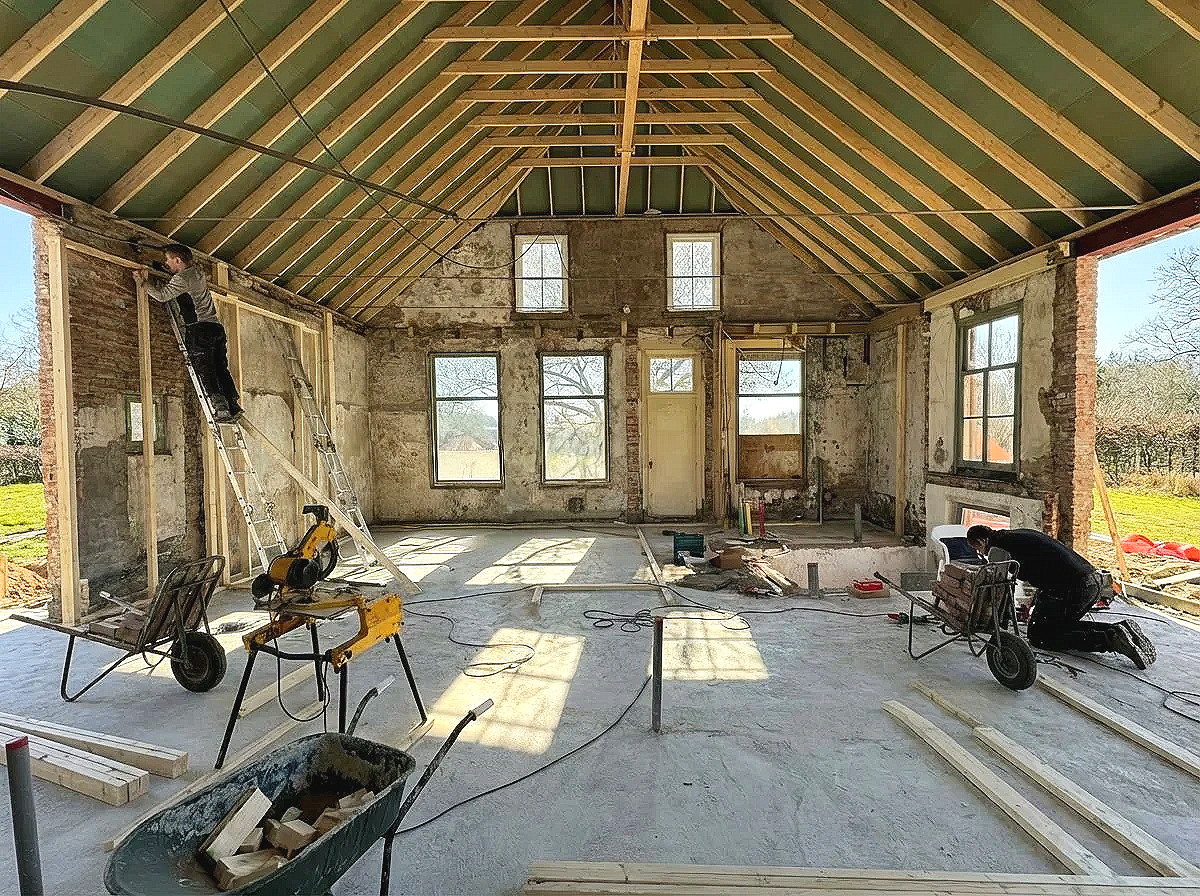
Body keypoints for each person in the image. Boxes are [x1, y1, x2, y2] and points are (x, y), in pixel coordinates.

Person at [966, 525, 1155, 669]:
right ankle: (1120, 629)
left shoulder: (996, 548)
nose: (980, 553)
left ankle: (1110, 639)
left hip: (1073, 588)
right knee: (1060, 626)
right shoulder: (1016, 536)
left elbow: (997, 586)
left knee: (1040, 636)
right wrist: (1036, 599)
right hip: (1092, 581)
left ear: (981, 542)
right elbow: (1046, 565)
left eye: (977, 549)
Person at [135, 245, 243, 423]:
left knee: (205, 368)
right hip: (215, 328)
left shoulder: (182, 278)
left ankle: (221, 409)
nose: (166, 263)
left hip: (199, 329)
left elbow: (162, 296)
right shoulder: (197, 273)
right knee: (220, 367)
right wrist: (167, 272)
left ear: (177, 260)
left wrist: (143, 283)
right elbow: (182, 284)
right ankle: (232, 405)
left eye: (168, 260)